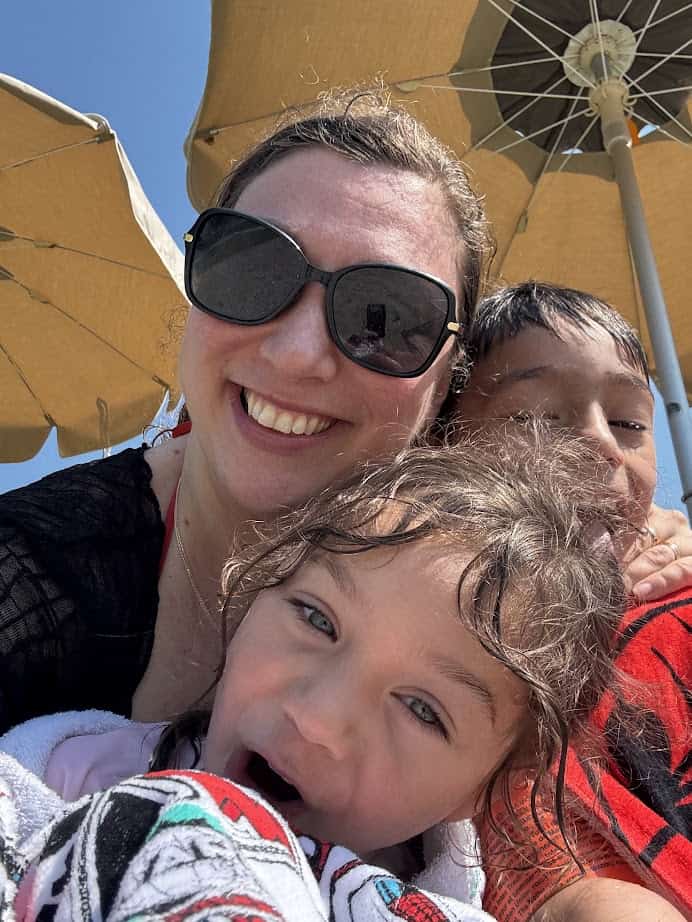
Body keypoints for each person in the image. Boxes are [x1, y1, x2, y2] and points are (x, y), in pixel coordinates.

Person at [0, 91, 690, 735]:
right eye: (251, 269)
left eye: (386, 318)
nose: (299, 354)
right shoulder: (32, 571)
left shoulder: (488, 586)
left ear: (444, 392)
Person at [1, 431, 630, 921]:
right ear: (250, 597)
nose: (319, 717)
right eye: (316, 619)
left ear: (484, 788)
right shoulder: (66, 774)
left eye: (421, 709)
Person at [458, 281, 691, 921]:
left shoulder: (673, 593)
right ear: (439, 446)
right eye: (531, 415)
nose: (602, 444)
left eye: (628, 423)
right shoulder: (427, 640)